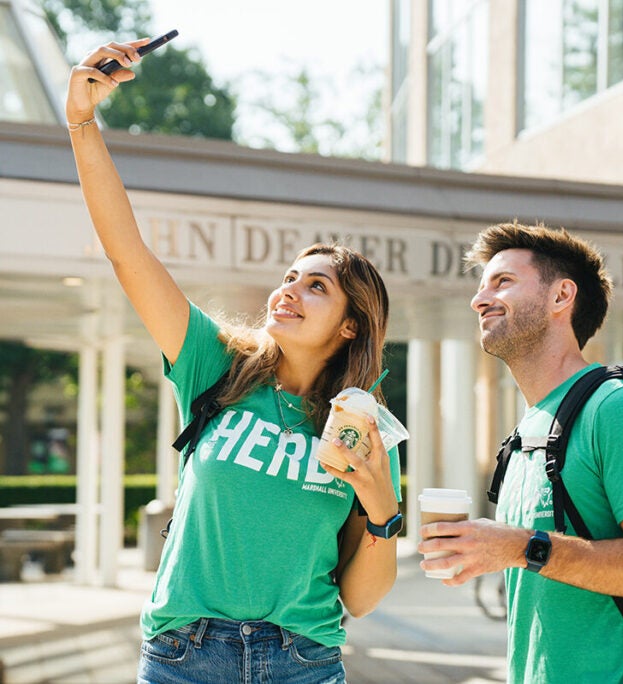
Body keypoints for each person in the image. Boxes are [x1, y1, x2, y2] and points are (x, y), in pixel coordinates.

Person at [66, 40, 403, 684]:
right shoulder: (213, 364)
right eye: (289, 277)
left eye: (316, 286)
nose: (289, 290)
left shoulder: (365, 427)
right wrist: (82, 119)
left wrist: (381, 501)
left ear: (351, 324)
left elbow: (359, 597)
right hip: (183, 657)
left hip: (301, 660)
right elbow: (127, 252)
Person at [418, 221, 623, 683]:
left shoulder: (619, 408)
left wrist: (520, 546)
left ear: (560, 296)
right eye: (481, 284)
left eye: (502, 281)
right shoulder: (530, 428)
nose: (478, 299)